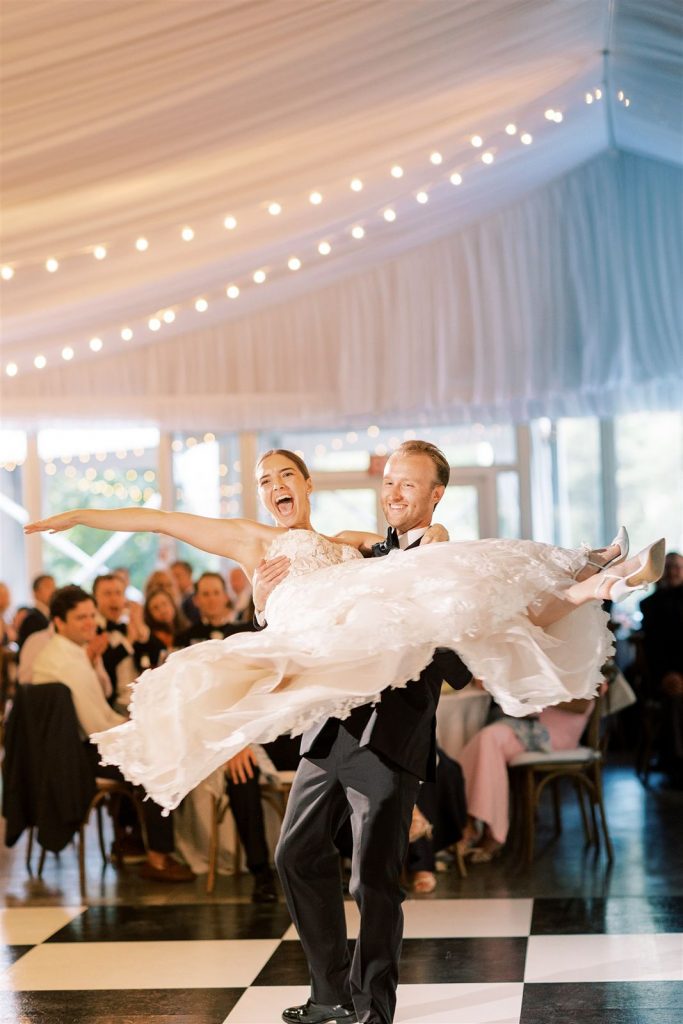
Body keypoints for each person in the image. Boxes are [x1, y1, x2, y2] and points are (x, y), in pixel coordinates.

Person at [25, 444, 664, 1024]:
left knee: (373, 878)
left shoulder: (348, 545)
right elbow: (161, 520)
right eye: (263, 479)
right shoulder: (254, 543)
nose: (275, 486)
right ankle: (330, 994)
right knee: (294, 854)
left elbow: (442, 572)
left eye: (285, 476)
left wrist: (432, 541)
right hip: (326, 727)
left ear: (307, 485)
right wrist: (79, 514)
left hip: (387, 726)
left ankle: (372, 1007)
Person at [31, 585, 194, 882]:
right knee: (157, 762)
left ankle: (139, 842)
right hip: (74, 756)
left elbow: (100, 712)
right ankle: (158, 857)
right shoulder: (67, 660)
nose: (90, 623)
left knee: (154, 748)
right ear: (59, 622)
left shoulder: (65, 651)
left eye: (91, 615)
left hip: (64, 749)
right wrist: (142, 728)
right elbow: (97, 725)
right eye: (80, 617)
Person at [457, 686, 596, 861]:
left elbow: (582, 704)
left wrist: (538, 692)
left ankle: (481, 827)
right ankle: (473, 822)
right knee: (486, 741)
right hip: (532, 726)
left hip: (555, 733)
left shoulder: (584, 661)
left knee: (489, 738)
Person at [639, 551, 683, 786]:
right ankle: (675, 763)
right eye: (668, 567)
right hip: (662, 676)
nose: (673, 571)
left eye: (677, 567)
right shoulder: (649, 604)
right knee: (674, 698)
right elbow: (653, 648)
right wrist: (667, 676)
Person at [17, 574, 55, 648]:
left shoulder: (51, 615)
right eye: (48, 587)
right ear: (36, 592)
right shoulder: (31, 619)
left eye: (54, 586)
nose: (53, 590)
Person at [171, 559, 201, 624]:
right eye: (172, 577)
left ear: (189, 575)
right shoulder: (175, 598)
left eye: (177, 576)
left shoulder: (198, 595)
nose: (174, 581)